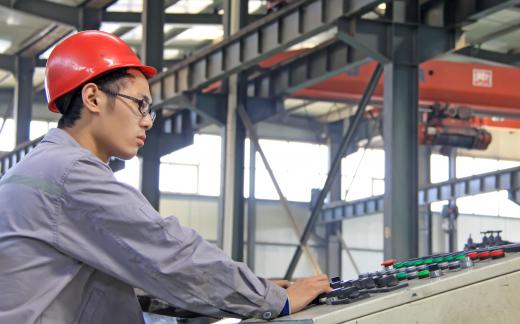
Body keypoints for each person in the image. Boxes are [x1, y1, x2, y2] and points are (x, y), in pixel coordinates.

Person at [0, 30, 331, 324]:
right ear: (93, 98)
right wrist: (275, 300)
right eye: (139, 104)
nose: (147, 121)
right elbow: (169, 253)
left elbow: (119, 278)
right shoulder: (70, 175)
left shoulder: (34, 171)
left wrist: (249, 290)